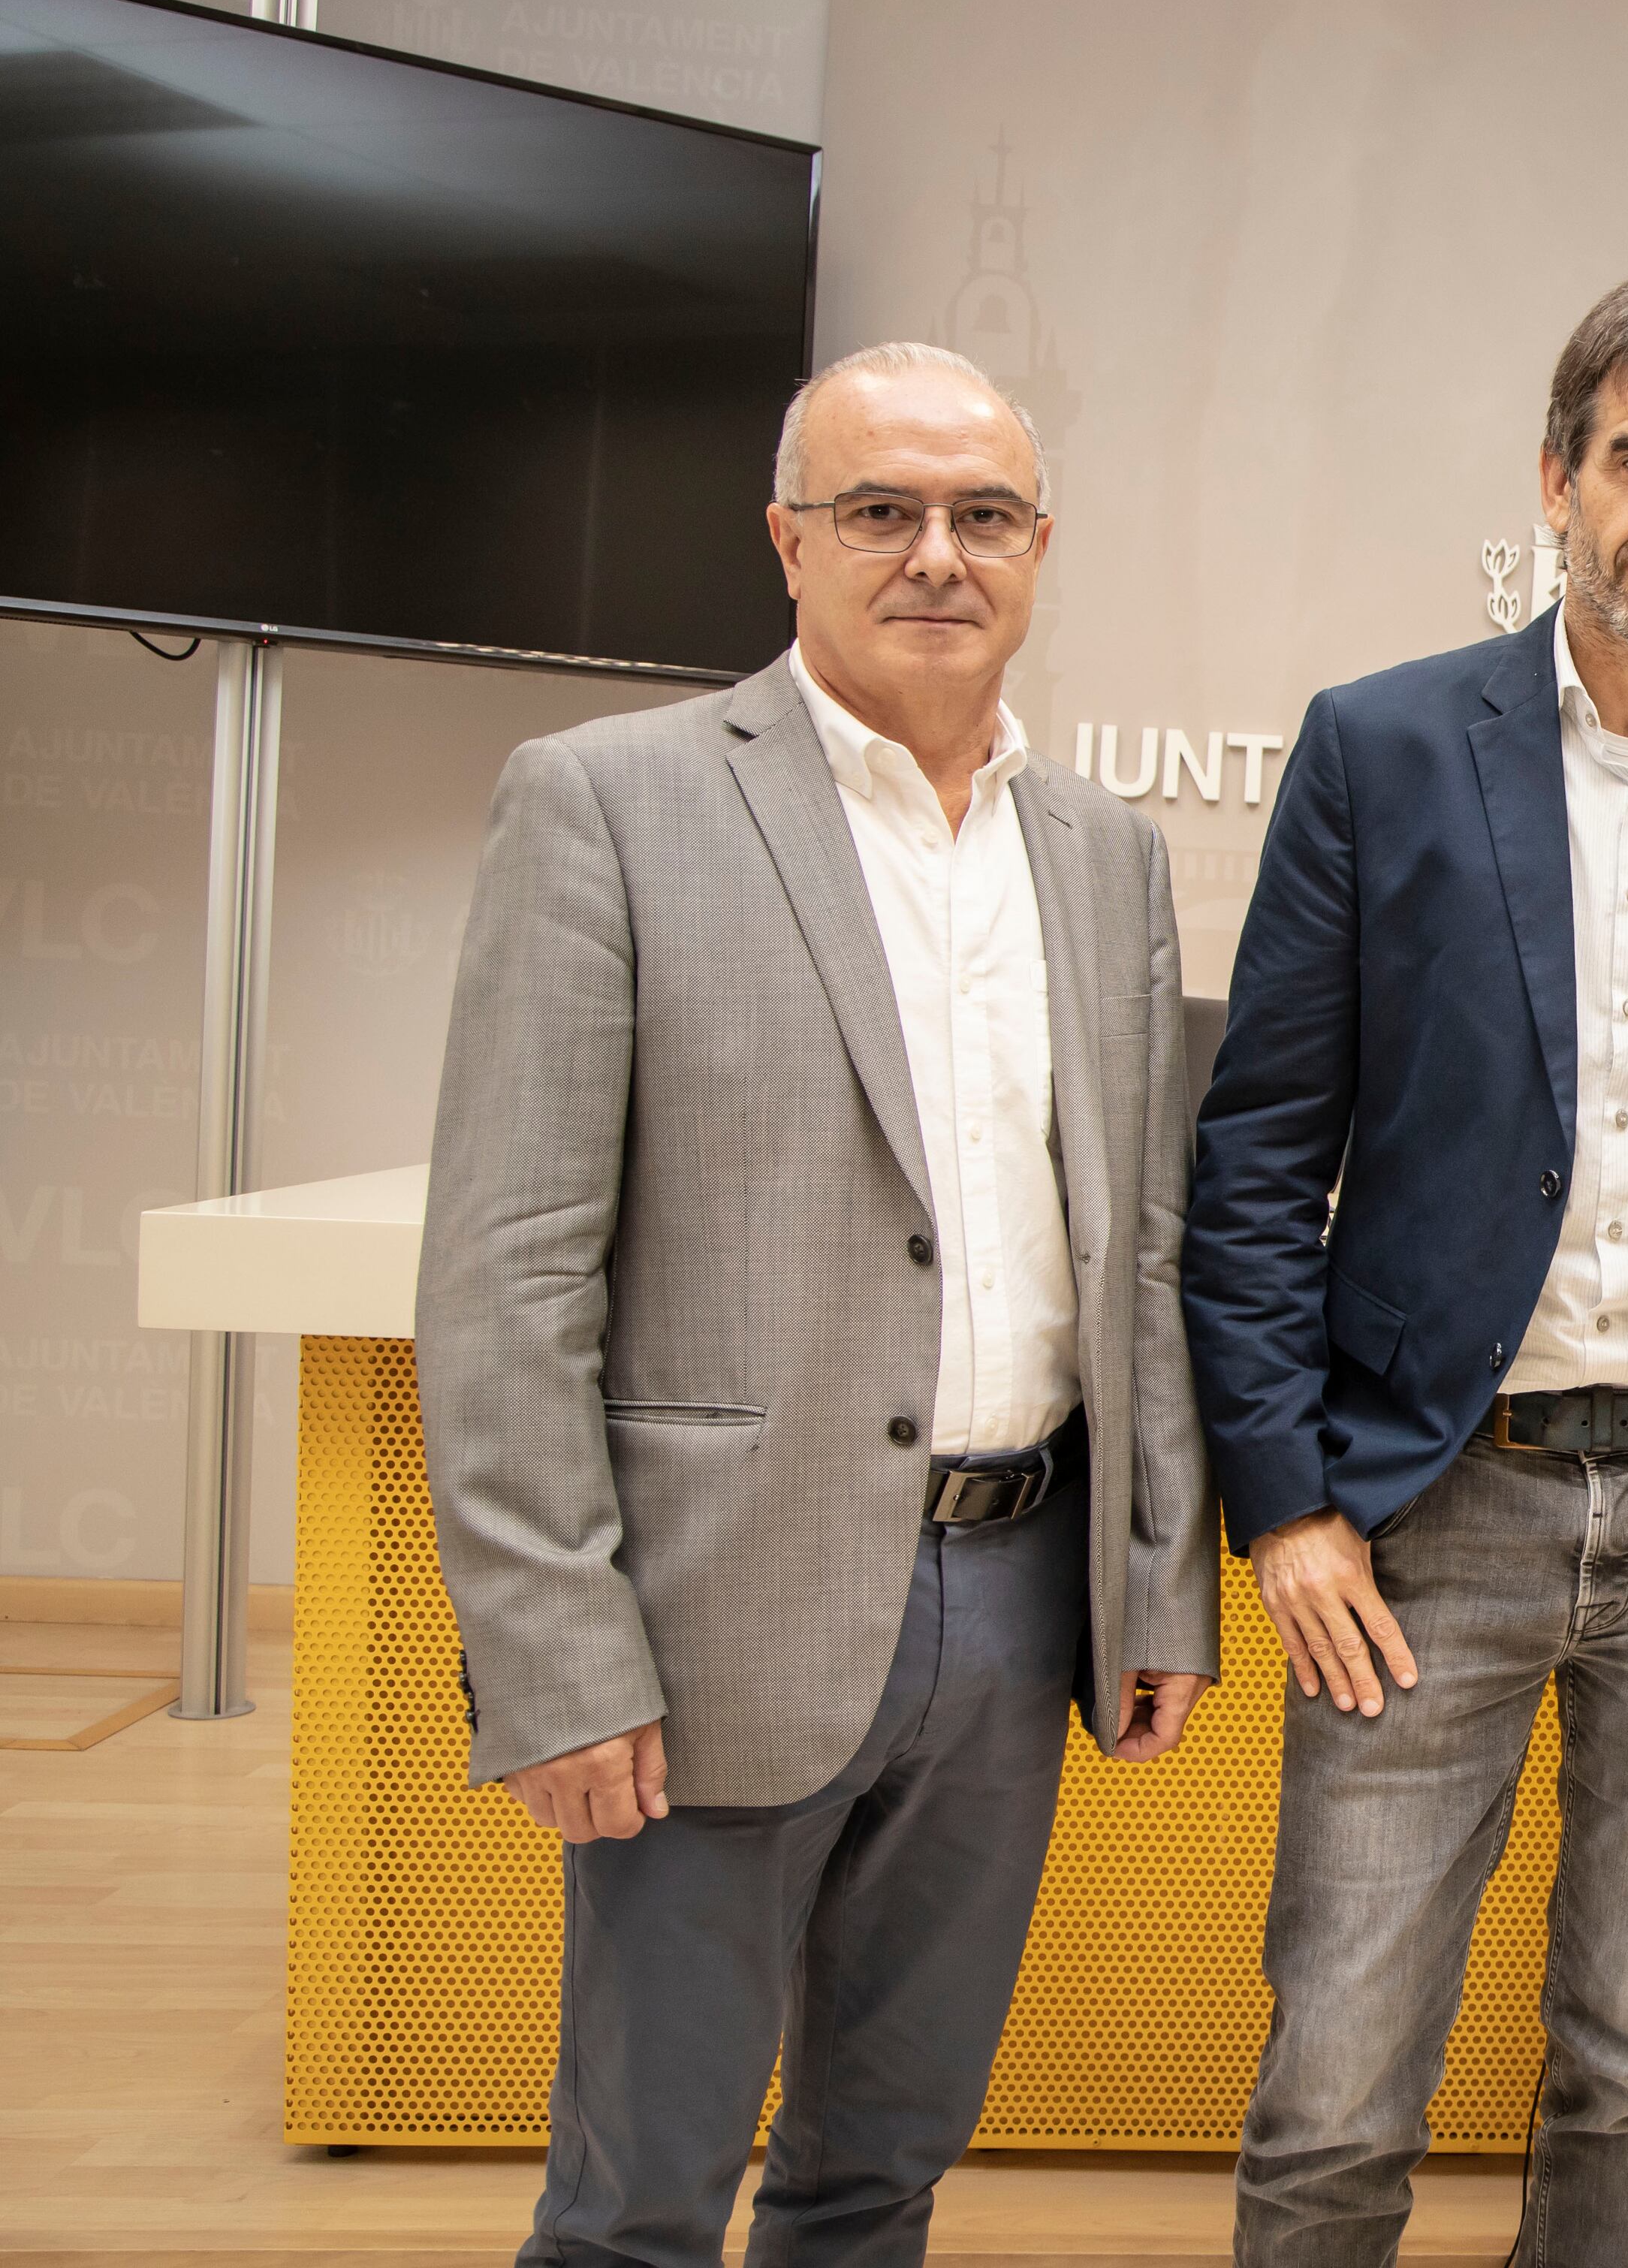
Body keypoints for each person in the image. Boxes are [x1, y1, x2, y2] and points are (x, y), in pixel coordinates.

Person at [417, 339, 1222, 2266]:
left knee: (882, 2164)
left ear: (1039, 546)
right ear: (790, 542)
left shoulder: (1103, 854)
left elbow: (1147, 1248)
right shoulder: (604, 801)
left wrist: (1155, 1568)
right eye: (881, 510)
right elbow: (510, 1266)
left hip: (1020, 1599)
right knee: (640, 2191)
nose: (936, 553)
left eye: (983, 515)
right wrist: (556, 1647)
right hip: (713, 1615)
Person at [1183, 259, 1628, 2265]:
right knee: (1336, 2089)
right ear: (1558, 476)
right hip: (1431, 1509)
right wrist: (1288, 1506)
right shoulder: (1384, 750)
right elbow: (1255, 1162)